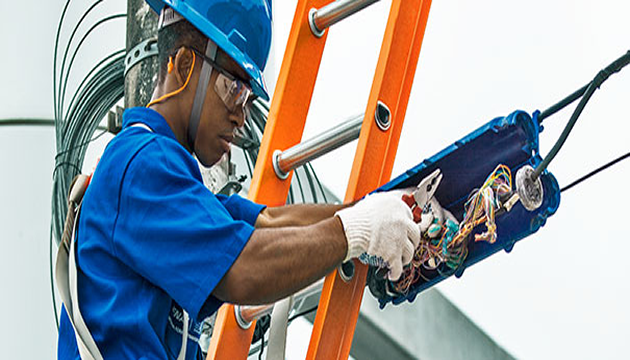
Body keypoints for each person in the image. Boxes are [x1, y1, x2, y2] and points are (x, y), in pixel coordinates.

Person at [57, 1, 420, 359]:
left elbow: (267, 222)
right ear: (184, 65)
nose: (241, 117)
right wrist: (355, 232)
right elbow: (243, 268)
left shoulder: (164, 178)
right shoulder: (143, 164)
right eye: (235, 89)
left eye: (248, 98)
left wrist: (372, 214)